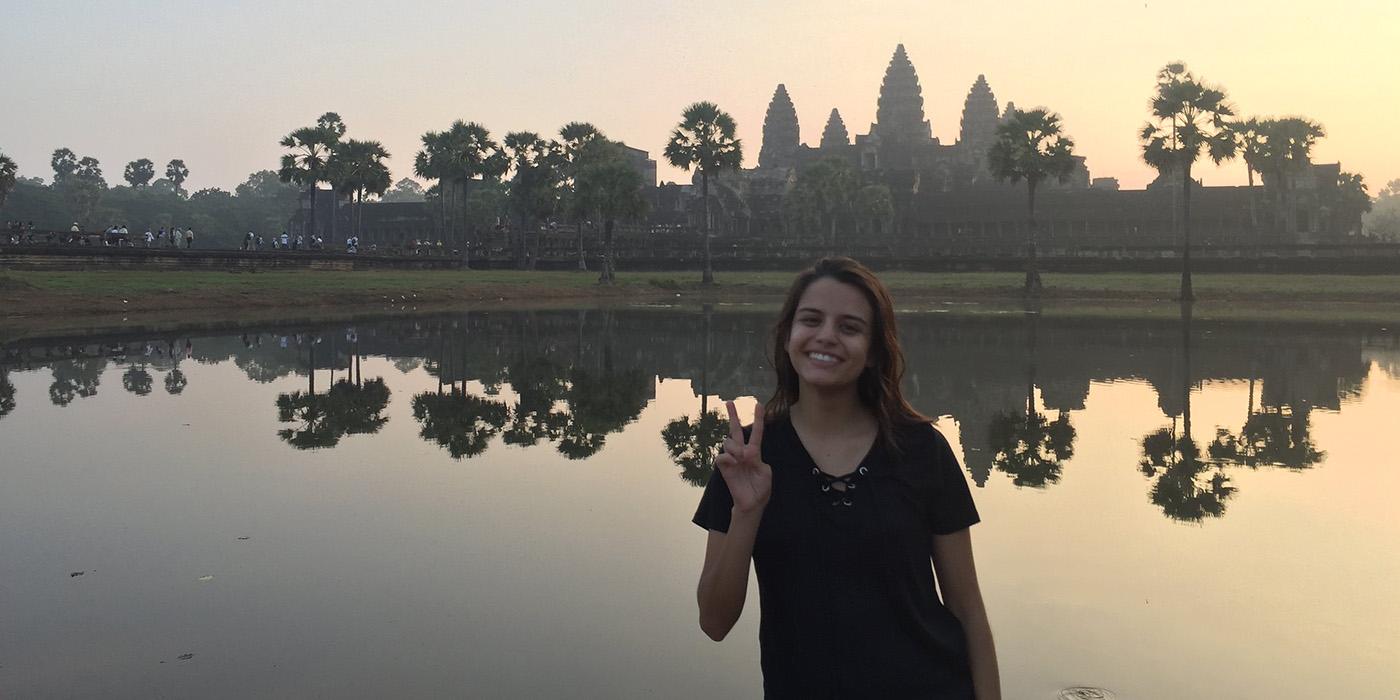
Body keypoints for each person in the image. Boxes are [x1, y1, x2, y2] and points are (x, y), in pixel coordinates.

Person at [693, 257, 1000, 699]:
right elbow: (714, 623)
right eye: (811, 320)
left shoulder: (921, 450)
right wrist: (747, 512)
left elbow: (967, 607)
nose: (826, 337)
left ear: (874, 350)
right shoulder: (748, 457)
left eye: (850, 327)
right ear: (788, 336)